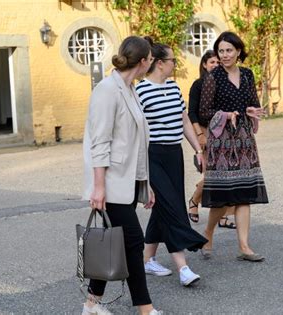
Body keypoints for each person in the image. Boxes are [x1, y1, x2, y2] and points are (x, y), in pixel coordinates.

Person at [82, 36, 161, 315]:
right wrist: (99, 187)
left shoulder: (130, 89)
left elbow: (138, 142)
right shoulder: (107, 90)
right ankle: (145, 308)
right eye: (151, 58)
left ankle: (91, 305)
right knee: (133, 241)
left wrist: (145, 185)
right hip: (111, 183)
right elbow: (99, 142)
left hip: (126, 182)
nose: (151, 62)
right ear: (143, 61)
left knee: (114, 241)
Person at [136, 38, 208, 287]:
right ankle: (183, 268)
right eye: (172, 60)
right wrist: (141, 171)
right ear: (158, 63)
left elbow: (185, 121)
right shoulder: (141, 91)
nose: (174, 64)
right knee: (173, 206)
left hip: (173, 154)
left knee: (162, 207)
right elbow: (136, 132)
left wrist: (198, 149)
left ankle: (147, 260)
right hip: (152, 155)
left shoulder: (174, 88)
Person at [199, 31, 268, 261]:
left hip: (245, 139)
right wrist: (227, 114)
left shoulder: (247, 75)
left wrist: (252, 111)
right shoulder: (213, 77)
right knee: (224, 196)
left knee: (244, 194)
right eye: (221, 51)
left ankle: (244, 246)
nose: (225, 55)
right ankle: (208, 232)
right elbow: (204, 112)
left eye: (229, 50)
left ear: (238, 51)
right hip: (222, 142)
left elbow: (253, 103)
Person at [187, 50, 237, 229]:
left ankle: (223, 216)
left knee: (229, 175)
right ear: (204, 65)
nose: (216, 65)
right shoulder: (198, 84)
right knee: (211, 175)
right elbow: (191, 112)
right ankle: (194, 200)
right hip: (204, 130)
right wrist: (199, 135)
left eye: (218, 62)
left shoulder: (225, 83)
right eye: (212, 63)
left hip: (223, 131)